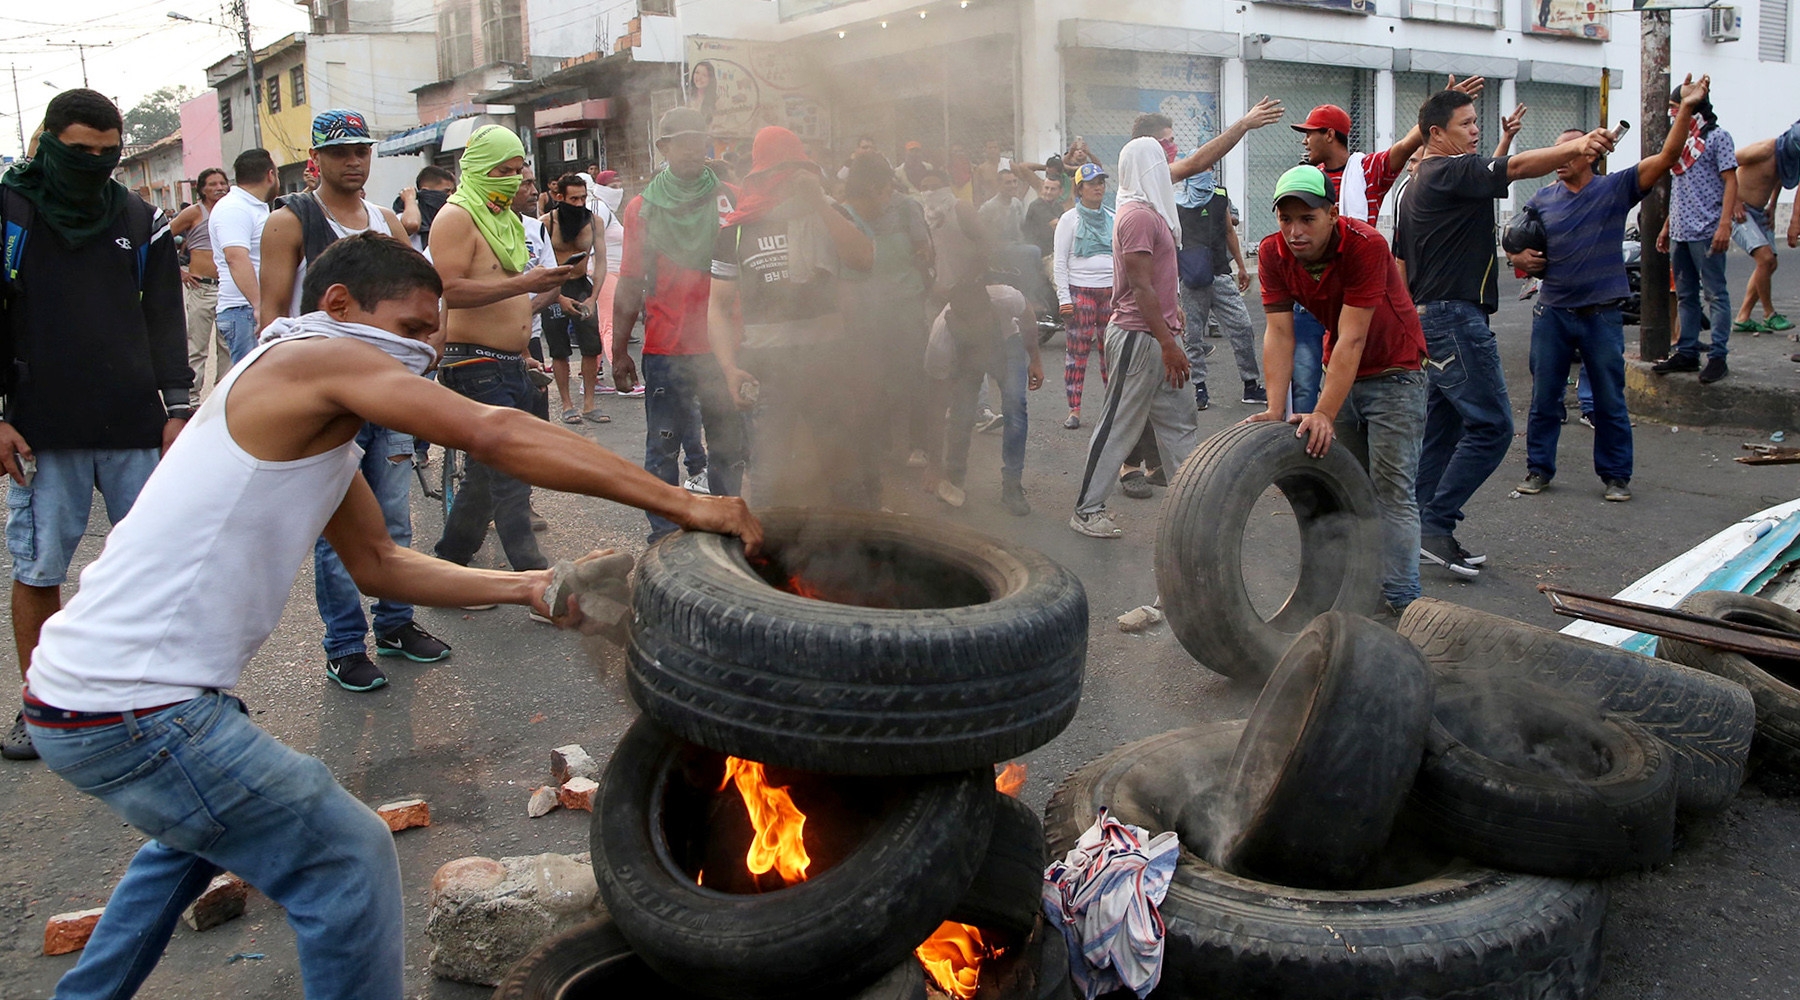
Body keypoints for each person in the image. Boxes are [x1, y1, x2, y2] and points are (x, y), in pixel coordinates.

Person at [20, 231, 761, 998]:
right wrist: (685, 502)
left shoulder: (310, 422)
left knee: (193, 837)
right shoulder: (310, 357)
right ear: (338, 304)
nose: (427, 352)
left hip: (92, 697)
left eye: (431, 332)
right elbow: (492, 431)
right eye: (410, 330)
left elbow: (379, 563)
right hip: (138, 706)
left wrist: (529, 585)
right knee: (348, 855)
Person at [0, 89, 192, 762]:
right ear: (49, 140)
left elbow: (165, 317)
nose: (95, 164)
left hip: (134, 423)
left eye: (108, 154)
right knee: (40, 567)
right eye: (81, 151)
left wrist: (175, 409)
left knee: (149, 567)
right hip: (40, 427)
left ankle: (151, 696)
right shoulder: (11, 212)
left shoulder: (140, 219)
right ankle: (41, 706)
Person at [256, 107, 450, 691]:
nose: (354, 162)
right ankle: (344, 644)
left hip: (382, 396)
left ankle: (395, 624)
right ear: (317, 158)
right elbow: (271, 316)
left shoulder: (385, 221)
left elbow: (420, 297)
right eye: (341, 152)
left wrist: (425, 353)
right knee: (336, 532)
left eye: (362, 151)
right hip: (325, 405)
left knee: (393, 520)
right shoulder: (291, 221)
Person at [1393, 89, 1614, 577]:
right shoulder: (1445, 171)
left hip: (1433, 319)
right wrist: (1578, 148)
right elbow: (1513, 170)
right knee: (1492, 428)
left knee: (1444, 431)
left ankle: (1411, 528)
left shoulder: (1423, 183)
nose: (1476, 131)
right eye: (1467, 124)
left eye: (1477, 123)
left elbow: (1404, 260)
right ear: (1436, 134)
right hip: (1453, 320)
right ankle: (1435, 522)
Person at [1507, 77, 1712, 505]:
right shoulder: (1542, 199)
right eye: (1558, 152)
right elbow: (1518, 243)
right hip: (1553, 313)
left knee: (1609, 399)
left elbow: (1669, 156)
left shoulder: (1615, 189)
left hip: (1600, 315)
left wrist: (1687, 108)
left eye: (1570, 151)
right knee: (1545, 399)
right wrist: (1517, 260)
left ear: (1591, 154)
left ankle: (1616, 476)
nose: (1561, 158)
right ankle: (1538, 469)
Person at [1250, 165, 1428, 613]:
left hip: (1396, 371)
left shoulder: (1366, 245)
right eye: (1285, 219)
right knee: (1348, 485)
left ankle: (1403, 602)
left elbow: (1354, 336)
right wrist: (1276, 409)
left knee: (1392, 491)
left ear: (1331, 214)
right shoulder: (1273, 253)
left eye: (1307, 219)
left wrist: (1324, 411)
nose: (1294, 231)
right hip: (1342, 370)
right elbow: (1279, 333)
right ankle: (1355, 590)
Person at [429, 124, 580, 579]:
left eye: (518, 171)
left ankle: (449, 561)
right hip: (472, 364)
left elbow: (504, 292)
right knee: (511, 470)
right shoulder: (457, 218)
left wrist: (524, 351)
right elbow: (448, 291)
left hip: (510, 362)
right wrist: (525, 283)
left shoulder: (505, 219)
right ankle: (535, 578)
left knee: (484, 476)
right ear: (476, 169)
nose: (513, 181)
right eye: (503, 171)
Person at [1286, 78, 1486, 412]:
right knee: (1305, 381)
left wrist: (1442, 103)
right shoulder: (1305, 179)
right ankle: (1303, 459)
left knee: (1358, 380)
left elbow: (1410, 143)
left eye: (1310, 132)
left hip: (1353, 296)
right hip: (1310, 296)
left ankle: (1349, 450)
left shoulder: (1366, 171)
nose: (1305, 140)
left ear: (1330, 135)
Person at [708, 126, 874, 508]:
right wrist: (729, 369)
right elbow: (716, 307)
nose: (784, 181)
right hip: (765, 371)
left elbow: (863, 259)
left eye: (795, 170)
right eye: (776, 172)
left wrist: (817, 202)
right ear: (758, 176)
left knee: (843, 473)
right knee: (768, 478)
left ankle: (857, 558)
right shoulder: (737, 229)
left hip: (827, 364)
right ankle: (768, 561)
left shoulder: (828, 213)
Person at [612, 106, 749, 544]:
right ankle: (664, 539)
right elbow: (631, 282)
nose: (693, 149)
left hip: (723, 348)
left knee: (729, 449)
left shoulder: (731, 196)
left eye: (699, 139)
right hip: (667, 347)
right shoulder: (643, 209)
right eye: (683, 142)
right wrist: (618, 350)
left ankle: (728, 530)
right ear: (663, 148)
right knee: (663, 448)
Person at [1069, 136, 1195, 539]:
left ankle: (1191, 507)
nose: (1166, 169)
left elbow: (1159, 281)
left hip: (1160, 338)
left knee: (1180, 426)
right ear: (1146, 168)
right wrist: (1168, 342)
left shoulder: (1152, 213)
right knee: (1118, 424)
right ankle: (1087, 510)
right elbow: (1140, 288)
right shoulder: (1138, 215)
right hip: (1141, 339)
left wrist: (1174, 324)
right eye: (1160, 162)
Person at [840, 153, 936, 477]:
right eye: (885, 187)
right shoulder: (850, 214)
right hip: (870, 308)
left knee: (911, 373)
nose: (889, 194)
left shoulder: (907, 207)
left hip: (905, 302)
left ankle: (919, 443)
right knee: (876, 377)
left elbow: (925, 251)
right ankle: (881, 444)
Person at [934, 279, 1043, 515]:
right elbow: (936, 399)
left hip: (1007, 344)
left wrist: (1034, 359)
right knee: (961, 413)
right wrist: (933, 464)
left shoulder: (1006, 298)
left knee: (1015, 406)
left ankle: (1012, 485)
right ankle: (954, 481)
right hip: (965, 355)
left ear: (989, 309)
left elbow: (1027, 316)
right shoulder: (941, 336)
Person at [1652, 86, 1738, 384]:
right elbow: (1679, 189)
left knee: (1715, 293)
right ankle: (1687, 351)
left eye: (1678, 107)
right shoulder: (1681, 144)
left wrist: (1725, 224)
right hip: (1681, 230)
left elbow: (1730, 181)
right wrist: (1667, 227)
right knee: (1686, 294)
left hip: (1707, 229)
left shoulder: (1717, 138)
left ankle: (1718, 355)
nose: (1674, 114)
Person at [1176, 171, 1263, 410]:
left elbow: (1228, 231)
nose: (1206, 173)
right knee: (1193, 336)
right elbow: (1171, 243)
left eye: (1208, 169)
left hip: (1220, 274)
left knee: (1242, 326)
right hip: (1192, 278)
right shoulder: (1177, 200)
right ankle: (1199, 389)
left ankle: (1251, 385)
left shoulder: (1219, 194)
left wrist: (1241, 266)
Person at [1053, 162, 1114, 430]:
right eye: (1091, 183)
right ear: (1080, 189)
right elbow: (1059, 262)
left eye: (1101, 182)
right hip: (1080, 292)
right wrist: (1064, 298)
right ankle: (1074, 410)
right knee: (1078, 353)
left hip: (1110, 292)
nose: (1098, 187)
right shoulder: (1069, 220)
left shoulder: (1113, 216)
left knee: (1110, 353)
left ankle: (1113, 409)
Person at [541, 173, 606, 423]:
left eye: (583, 198)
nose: (579, 204)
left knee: (591, 346)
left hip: (581, 286)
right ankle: (567, 405)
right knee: (559, 350)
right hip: (555, 288)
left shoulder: (594, 222)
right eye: (573, 199)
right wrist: (557, 298)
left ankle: (589, 404)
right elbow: (539, 265)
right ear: (560, 197)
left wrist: (593, 296)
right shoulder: (546, 223)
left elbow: (600, 261)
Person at [1728, 119, 1800, 335]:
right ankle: (1769, 314)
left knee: (1771, 264)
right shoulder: (1765, 149)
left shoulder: (1787, 159)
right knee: (1765, 259)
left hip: (1760, 211)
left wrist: (1773, 205)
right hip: (1739, 210)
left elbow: (1780, 177)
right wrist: (1733, 201)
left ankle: (1743, 317)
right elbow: (1724, 167)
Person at [210, 147, 278, 363]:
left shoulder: (255, 207)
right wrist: (259, 306)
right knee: (252, 382)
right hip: (244, 310)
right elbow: (235, 257)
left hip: (251, 309)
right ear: (270, 175)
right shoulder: (234, 208)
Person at [170, 166, 230, 404]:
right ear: (202, 189)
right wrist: (180, 272)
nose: (218, 188)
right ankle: (192, 400)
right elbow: (162, 239)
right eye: (212, 184)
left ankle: (222, 396)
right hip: (201, 288)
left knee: (226, 346)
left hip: (227, 287)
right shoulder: (194, 213)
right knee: (197, 347)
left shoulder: (231, 210)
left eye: (222, 183)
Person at [398, 164, 457, 254]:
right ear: (426, 192)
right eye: (446, 191)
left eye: (452, 192)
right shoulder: (405, 216)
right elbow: (411, 224)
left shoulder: (453, 217)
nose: (450, 196)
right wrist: (409, 198)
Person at [1025, 176, 1065, 259]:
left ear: (1061, 191)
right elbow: (1056, 225)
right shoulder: (1036, 205)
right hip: (1039, 254)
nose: (1048, 192)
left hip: (1054, 251)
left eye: (1053, 189)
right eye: (1046, 188)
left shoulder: (1059, 207)